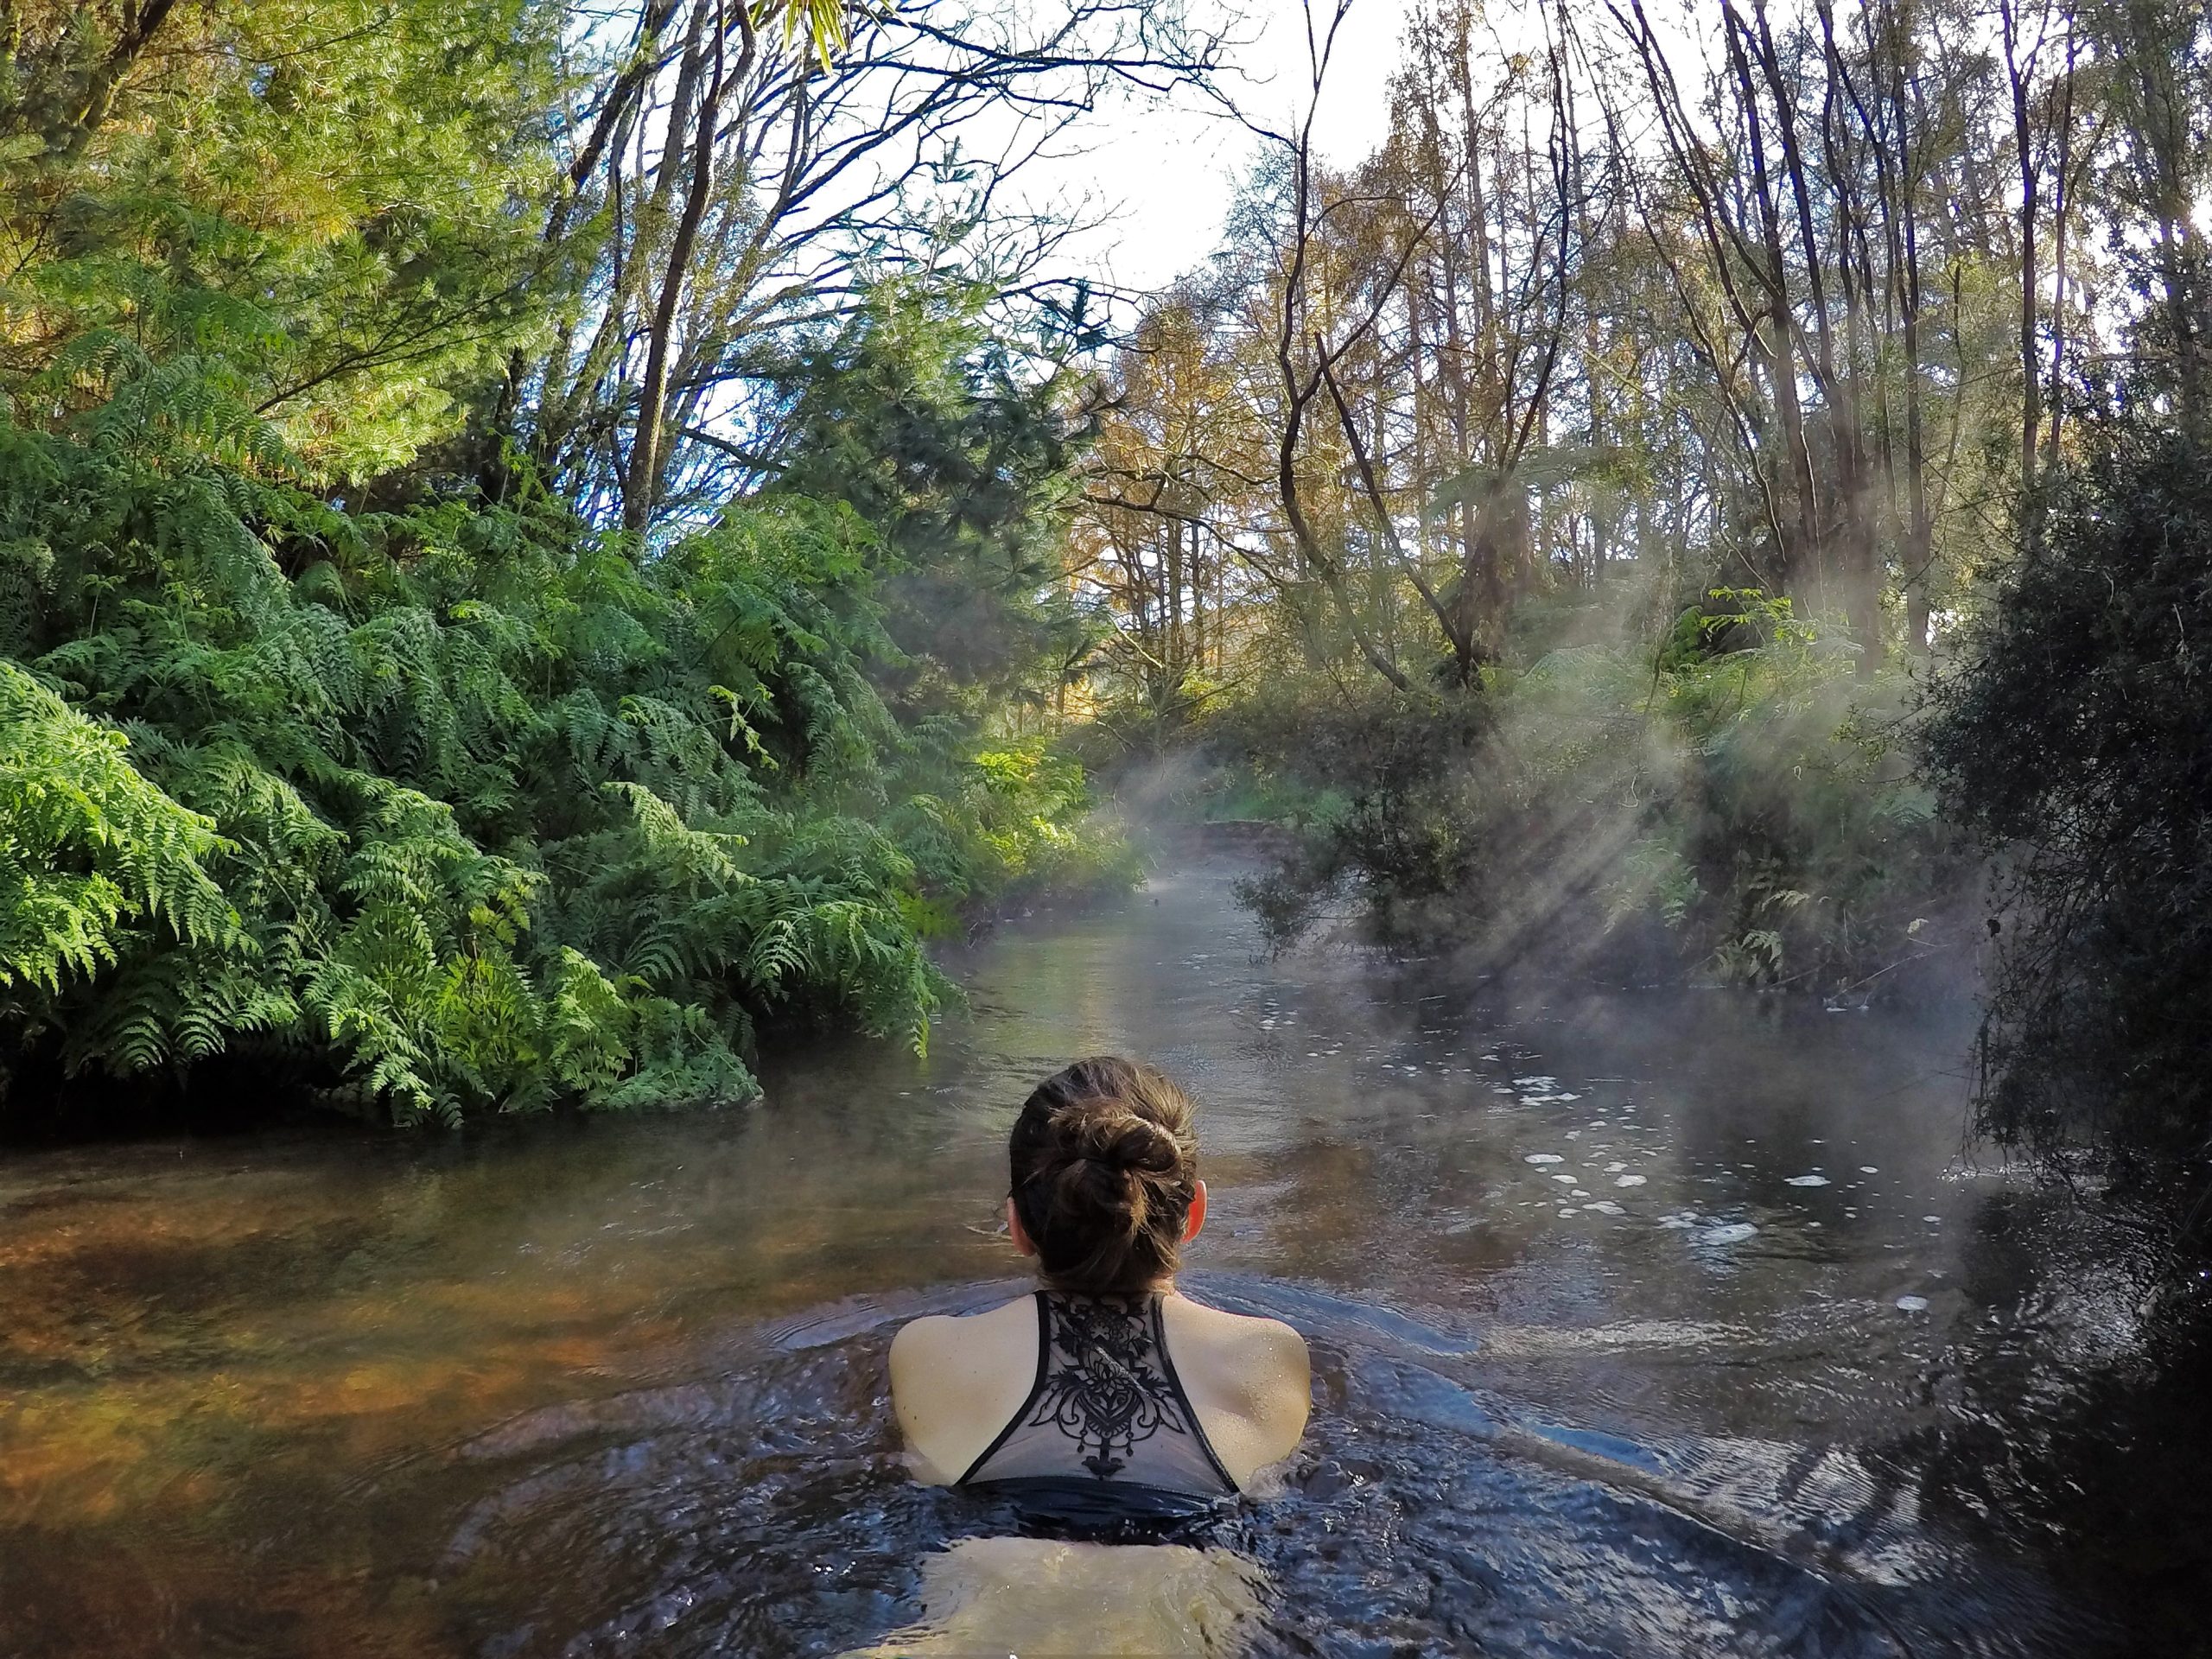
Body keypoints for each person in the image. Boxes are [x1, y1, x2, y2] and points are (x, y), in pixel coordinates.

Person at [890, 1056, 1311, 1528]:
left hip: (985, 1574)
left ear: (1017, 1226)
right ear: (1194, 1217)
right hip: (1205, 1578)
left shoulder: (926, 1348)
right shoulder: (1269, 1354)